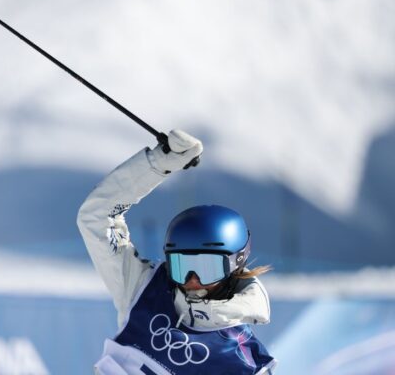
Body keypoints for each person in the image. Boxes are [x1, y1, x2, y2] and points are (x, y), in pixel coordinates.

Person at [77, 129, 277, 374]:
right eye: (181, 267)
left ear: (235, 264)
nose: (192, 280)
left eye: (207, 268)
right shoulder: (142, 289)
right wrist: (159, 162)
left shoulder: (244, 363)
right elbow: (97, 217)